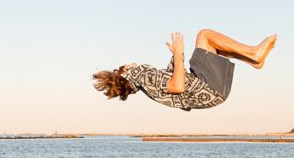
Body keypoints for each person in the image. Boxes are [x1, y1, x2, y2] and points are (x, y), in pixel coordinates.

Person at [92, 29, 277, 111]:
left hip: (213, 94)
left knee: (212, 47)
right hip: (208, 86)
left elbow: (174, 83)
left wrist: (176, 56)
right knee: (204, 35)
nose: (132, 62)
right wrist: (180, 52)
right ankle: (254, 53)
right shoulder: (138, 73)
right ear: (124, 71)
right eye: (127, 64)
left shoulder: (145, 86)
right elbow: (177, 86)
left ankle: (253, 61)